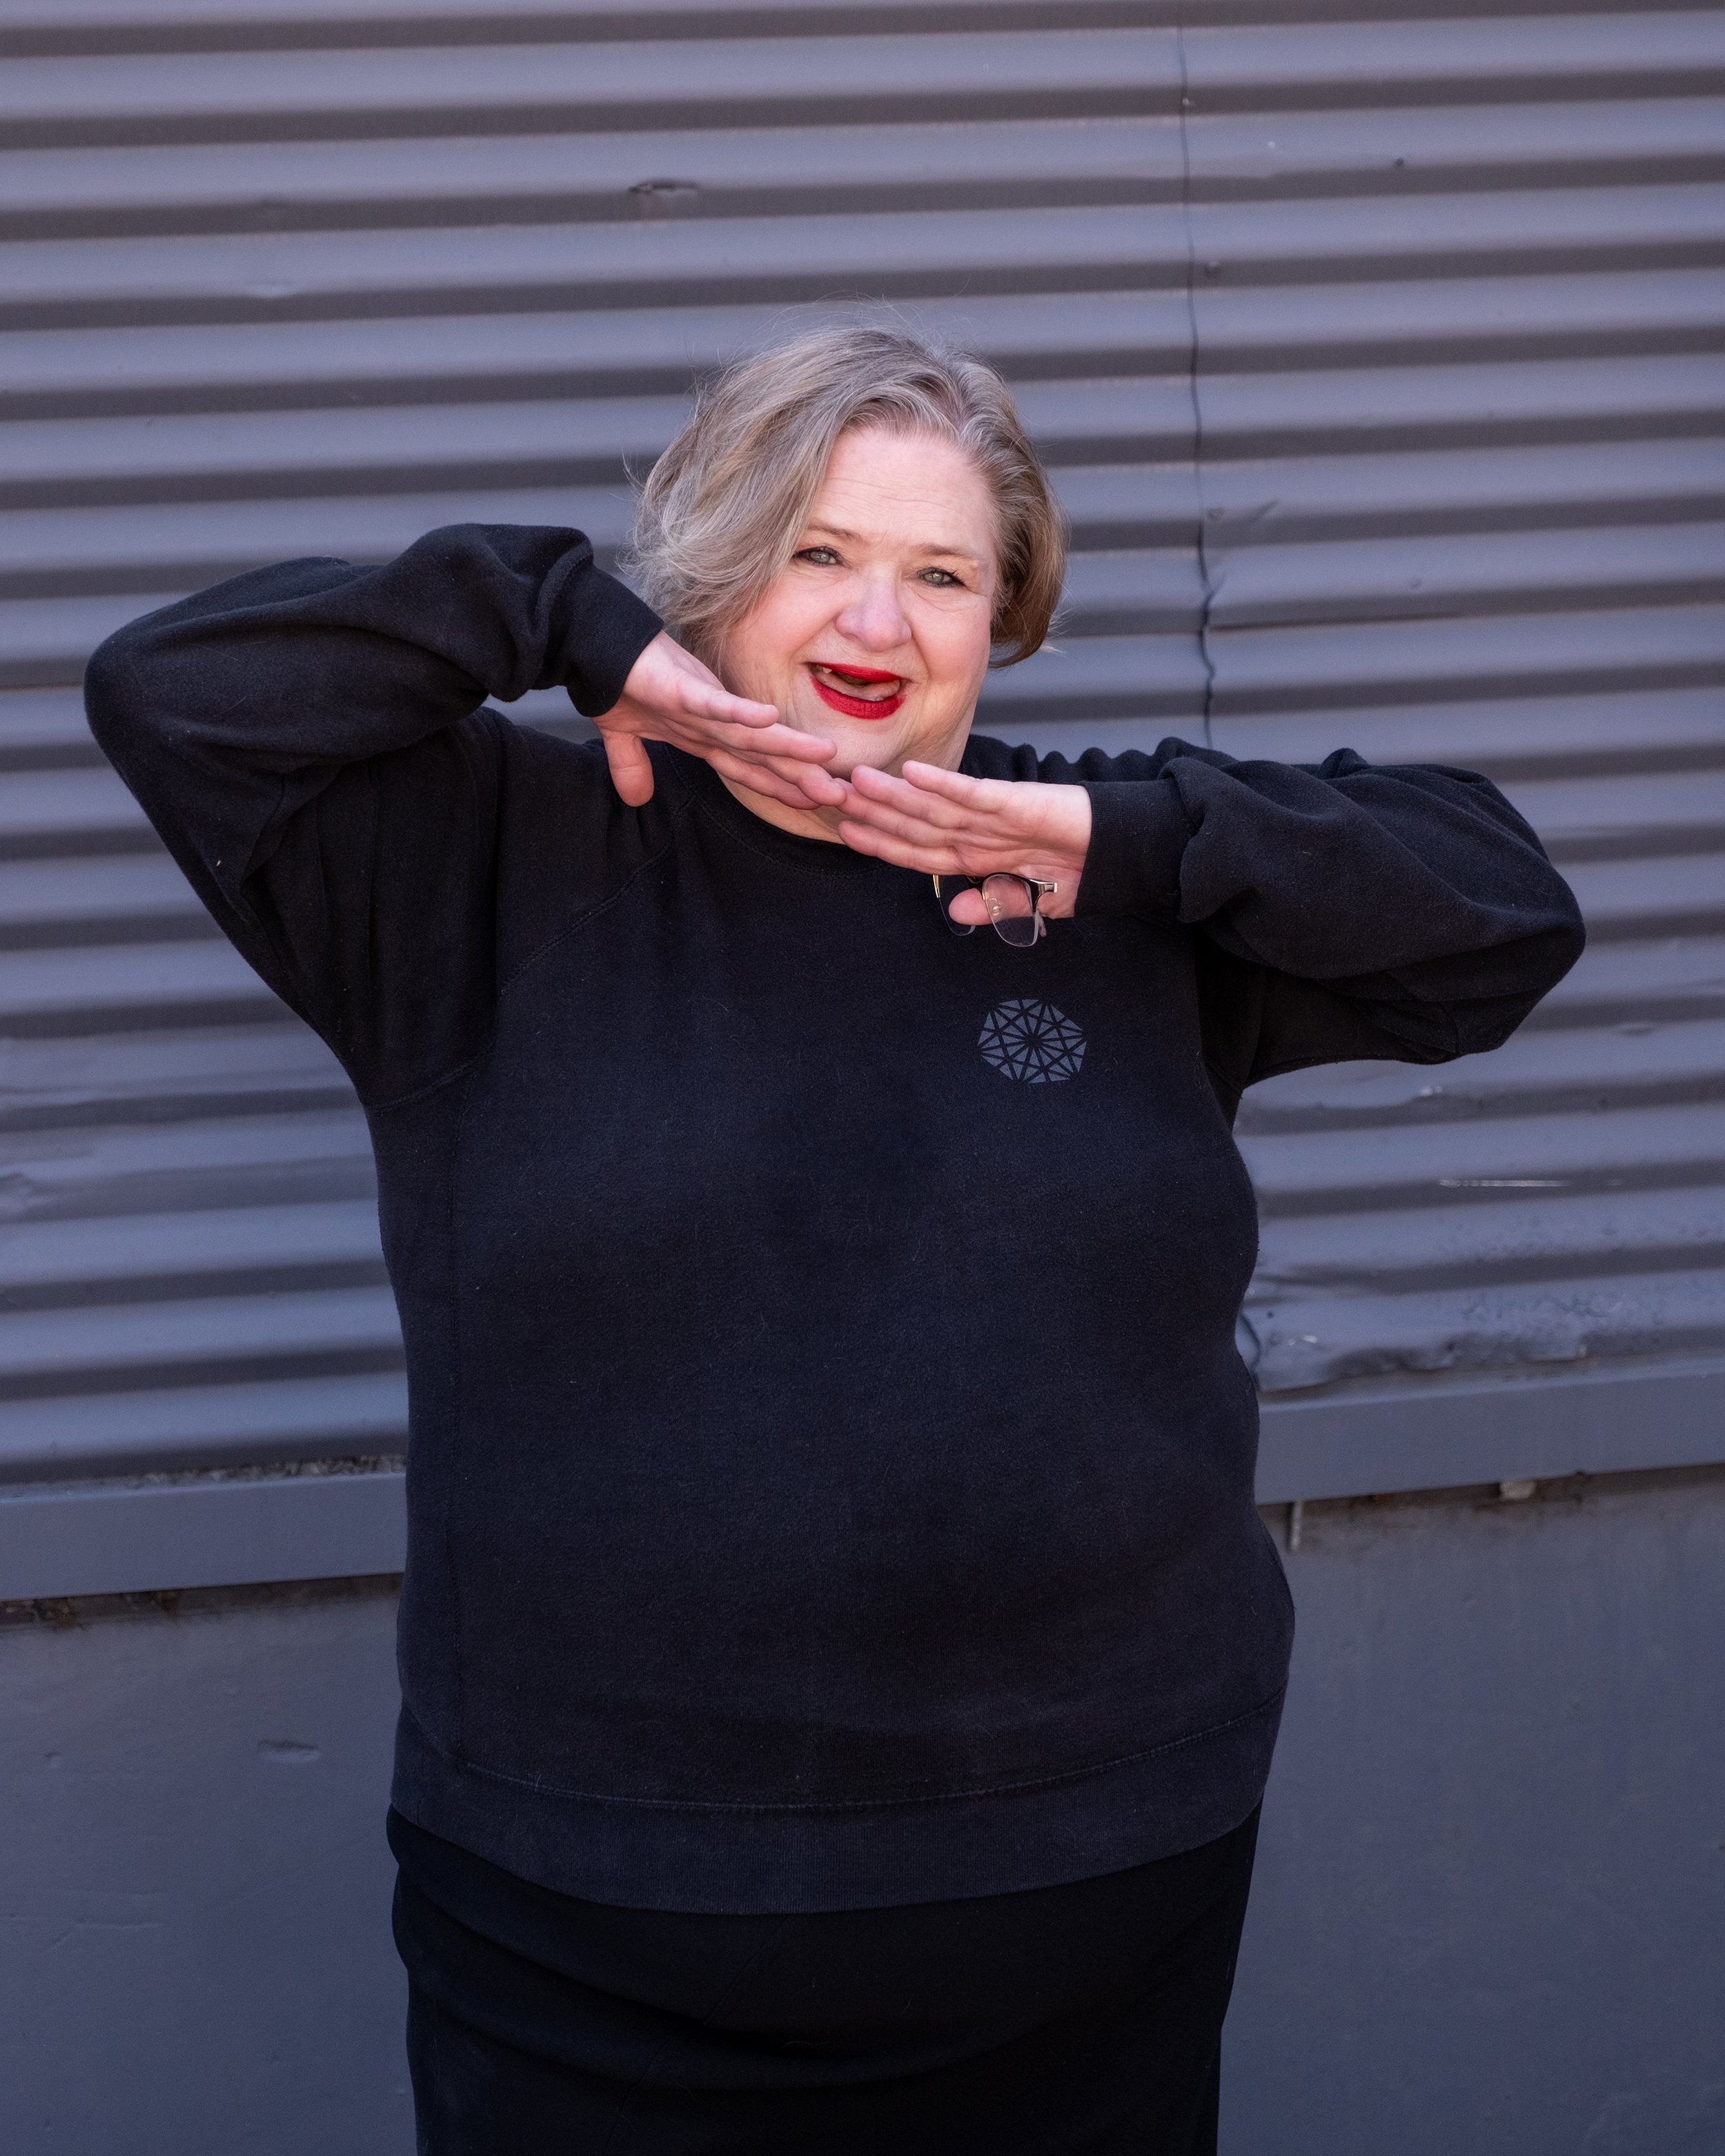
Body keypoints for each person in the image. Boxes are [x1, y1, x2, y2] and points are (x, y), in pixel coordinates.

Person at [86, 326, 1584, 2154]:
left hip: (1086, 1897)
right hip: (589, 1929)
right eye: (816, 551)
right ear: (714, 573)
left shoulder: (1088, 861)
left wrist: (1141, 838)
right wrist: (551, 617)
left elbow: (1498, 913)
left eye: (940, 573)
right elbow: (172, 692)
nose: (877, 622)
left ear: (1004, 614)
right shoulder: (482, 863)